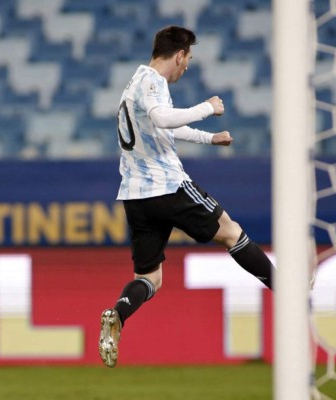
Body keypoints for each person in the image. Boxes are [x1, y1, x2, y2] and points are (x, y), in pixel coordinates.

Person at [98, 25, 274, 368]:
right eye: (188, 58)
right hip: (167, 186)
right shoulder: (151, 82)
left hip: (137, 197)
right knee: (230, 230)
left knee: (150, 279)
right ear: (178, 55)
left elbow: (166, 126)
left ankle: (117, 315)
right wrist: (207, 107)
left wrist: (209, 139)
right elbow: (164, 119)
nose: (187, 66)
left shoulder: (136, 85)